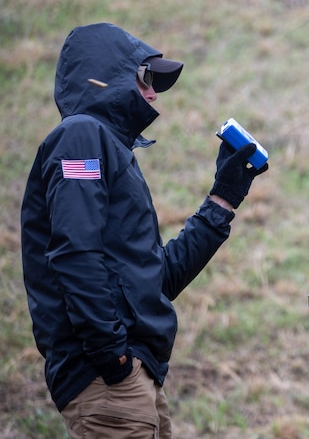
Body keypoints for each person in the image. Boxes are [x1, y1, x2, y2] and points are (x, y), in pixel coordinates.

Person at [20, 22, 268, 438]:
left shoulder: (110, 150)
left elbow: (155, 280)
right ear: (108, 76)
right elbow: (74, 255)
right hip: (109, 381)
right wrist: (113, 359)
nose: (153, 94)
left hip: (135, 379)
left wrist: (222, 200)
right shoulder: (80, 138)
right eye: (144, 78)